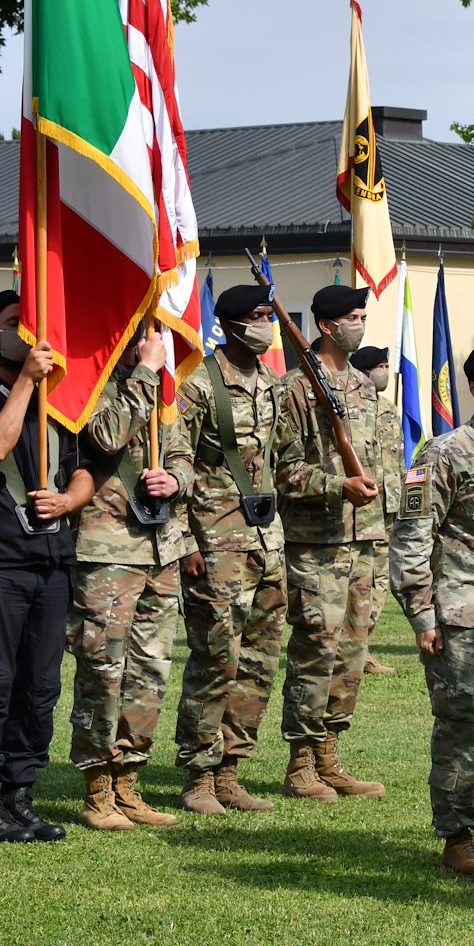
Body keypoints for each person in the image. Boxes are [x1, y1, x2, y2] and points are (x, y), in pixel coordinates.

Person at [0, 290, 97, 844]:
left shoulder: (59, 403)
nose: (28, 334)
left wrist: (70, 501)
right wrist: (29, 381)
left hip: (52, 561)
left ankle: (20, 793)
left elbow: (83, 468)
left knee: (39, 686)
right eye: (16, 325)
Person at [389, 341, 474, 879]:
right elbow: (411, 538)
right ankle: (455, 835)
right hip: (463, 616)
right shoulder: (443, 454)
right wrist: (422, 617)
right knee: (462, 726)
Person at [173, 283, 300, 815]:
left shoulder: (272, 384)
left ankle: (231, 769)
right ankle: (199, 776)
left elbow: (287, 460)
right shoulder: (197, 385)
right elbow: (176, 460)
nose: (265, 325)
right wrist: (184, 542)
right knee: (215, 660)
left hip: (267, 542)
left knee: (258, 662)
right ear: (228, 325)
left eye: (269, 315)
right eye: (255, 316)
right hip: (215, 540)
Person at [67, 325, 195, 832]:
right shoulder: (92, 383)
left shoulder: (163, 387)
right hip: (108, 547)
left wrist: (176, 479)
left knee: (151, 670)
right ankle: (97, 785)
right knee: (103, 668)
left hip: (162, 546)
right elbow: (104, 436)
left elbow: (183, 450)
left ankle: (129, 781)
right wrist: (143, 370)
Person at [275, 284, 392, 801]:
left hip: (364, 540)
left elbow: (383, 465)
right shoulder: (296, 390)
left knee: (351, 653)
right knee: (315, 651)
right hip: (316, 541)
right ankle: (301, 763)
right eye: (351, 316)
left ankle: (330, 755)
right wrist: (334, 484)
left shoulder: (367, 390)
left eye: (362, 315)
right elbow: (282, 472)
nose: (359, 324)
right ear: (325, 326)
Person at [352, 345, 401, 678]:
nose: (385, 371)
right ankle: (353, 652)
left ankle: (361, 648)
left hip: (388, 510)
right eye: (379, 366)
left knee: (380, 584)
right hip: (360, 511)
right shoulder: (352, 410)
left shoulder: (388, 409)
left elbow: (397, 461)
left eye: (387, 365)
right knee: (360, 584)